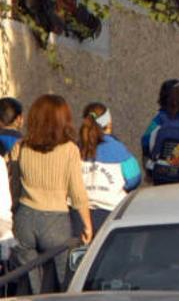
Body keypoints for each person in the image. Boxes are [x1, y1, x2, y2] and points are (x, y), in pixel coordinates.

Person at [9, 94, 91, 293]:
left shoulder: (21, 147)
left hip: (25, 218)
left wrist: (12, 215)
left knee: (28, 281)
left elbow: (14, 188)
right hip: (56, 221)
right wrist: (87, 225)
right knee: (64, 280)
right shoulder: (70, 149)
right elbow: (77, 192)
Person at [77, 103, 141, 232]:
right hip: (109, 213)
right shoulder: (118, 150)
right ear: (109, 123)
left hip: (79, 215)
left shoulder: (77, 148)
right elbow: (135, 177)